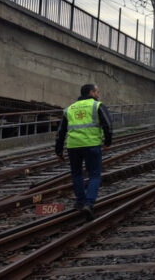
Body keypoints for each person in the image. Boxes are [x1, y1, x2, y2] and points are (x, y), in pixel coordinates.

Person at [55, 83, 113, 221]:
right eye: (97, 92)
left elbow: (60, 132)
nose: (98, 94)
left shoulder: (69, 108)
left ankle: (80, 201)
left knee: (76, 174)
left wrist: (58, 150)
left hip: (73, 146)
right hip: (91, 144)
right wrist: (108, 142)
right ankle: (89, 203)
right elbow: (108, 125)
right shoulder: (97, 105)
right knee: (94, 175)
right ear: (91, 93)